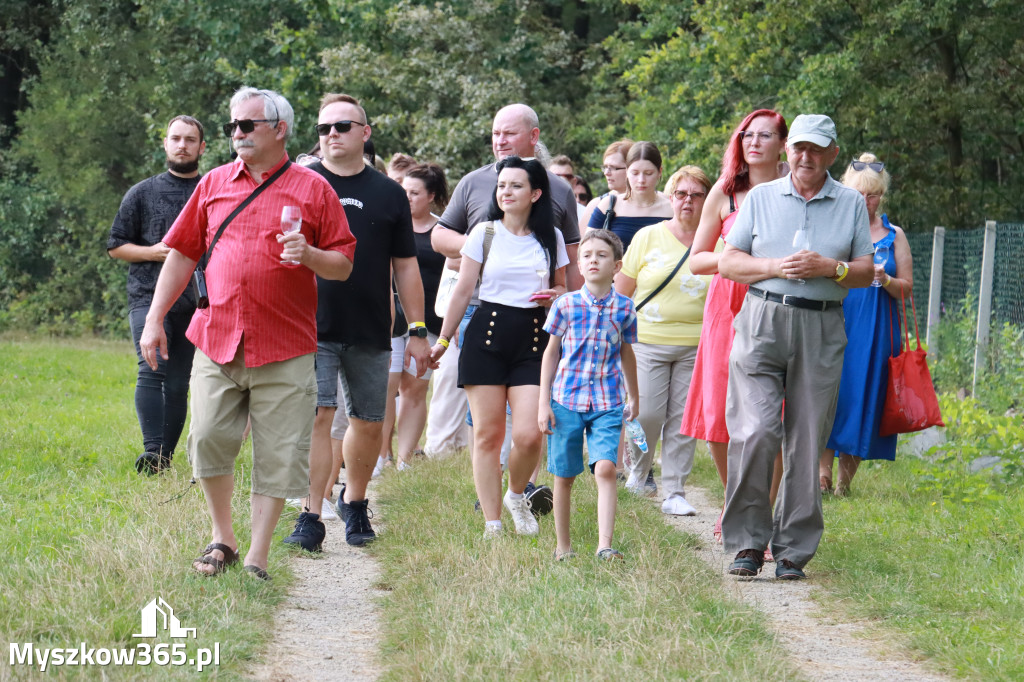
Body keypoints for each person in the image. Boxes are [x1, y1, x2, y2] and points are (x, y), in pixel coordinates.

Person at [139, 87, 356, 580]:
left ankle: (257, 554)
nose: (236, 133)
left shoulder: (314, 189)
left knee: (279, 453)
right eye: (232, 126)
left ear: (279, 129)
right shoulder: (214, 182)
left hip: (285, 345)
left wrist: (311, 256)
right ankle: (223, 538)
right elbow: (182, 253)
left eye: (247, 125)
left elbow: (343, 264)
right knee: (207, 438)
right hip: (217, 337)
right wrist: (154, 319)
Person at [718, 114, 874, 580]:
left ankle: (792, 551)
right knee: (756, 430)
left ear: (832, 154)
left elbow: (866, 271)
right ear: (788, 152)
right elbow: (728, 262)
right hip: (763, 317)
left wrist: (832, 267)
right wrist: (775, 266)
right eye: (799, 148)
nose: (805, 157)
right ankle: (747, 543)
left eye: (816, 149)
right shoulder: (762, 198)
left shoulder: (849, 203)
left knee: (807, 439)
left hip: (822, 326)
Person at [287, 92, 430, 550]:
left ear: (364, 133)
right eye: (323, 129)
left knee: (368, 422)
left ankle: (356, 500)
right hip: (311, 324)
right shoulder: (302, 184)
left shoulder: (389, 193)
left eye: (342, 127)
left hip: (372, 325)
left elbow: (406, 266)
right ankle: (312, 512)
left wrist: (418, 330)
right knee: (319, 415)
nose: (331, 135)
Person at [430, 103, 581, 508]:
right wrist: (482, 247)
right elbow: (441, 241)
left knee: (531, 429)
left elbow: (570, 268)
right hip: (481, 317)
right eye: (495, 133)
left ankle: (521, 490)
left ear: (533, 137)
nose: (499, 141)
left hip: (537, 328)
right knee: (487, 428)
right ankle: (491, 509)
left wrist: (567, 305)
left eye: (509, 133)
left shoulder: (558, 192)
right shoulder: (474, 188)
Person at [680, 109, 789, 544]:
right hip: (728, 306)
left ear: (783, 143)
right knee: (722, 411)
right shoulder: (725, 194)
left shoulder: (792, 190)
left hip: (778, 303)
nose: (754, 142)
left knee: (773, 415)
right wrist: (732, 258)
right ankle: (734, 501)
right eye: (747, 135)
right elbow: (697, 259)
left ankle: (763, 510)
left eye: (765, 135)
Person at [107, 115, 206, 475]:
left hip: (196, 301)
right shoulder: (141, 192)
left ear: (201, 147)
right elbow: (115, 246)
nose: (182, 145)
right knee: (151, 369)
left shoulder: (212, 190)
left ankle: (164, 458)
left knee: (179, 382)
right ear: (165, 143)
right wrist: (157, 252)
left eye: (190, 139)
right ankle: (151, 453)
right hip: (148, 296)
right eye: (176, 138)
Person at [615, 166, 712, 513]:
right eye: (681, 194)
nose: (688, 201)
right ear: (670, 198)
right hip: (647, 340)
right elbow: (622, 291)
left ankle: (675, 491)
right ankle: (638, 476)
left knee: (683, 421)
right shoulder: (647, 236)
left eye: (696, 194)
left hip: (697, 343)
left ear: (707, 200)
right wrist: (614, 337)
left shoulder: (715, 240)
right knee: (647, 413)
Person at [539, 229, 639, 560]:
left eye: (602, 255)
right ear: (579, 265)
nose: (593, 260)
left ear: (617, 265)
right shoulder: (564, 305)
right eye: (587, 256)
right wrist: (543, 403)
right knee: (564, 475)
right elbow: (551, 354)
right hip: (566, 400)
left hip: (608, 401)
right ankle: (563, 547)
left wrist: (633, 395)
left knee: (606, 468)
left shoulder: (625, 308)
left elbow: (626, 352)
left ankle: (604, 545)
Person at [820, 154, 913, 496]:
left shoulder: (894, 235)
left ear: (881, 196)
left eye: (872, 194)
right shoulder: (834, 228)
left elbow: (906, 289)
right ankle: (822, 474)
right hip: (836, 317)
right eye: (859, 193)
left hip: (876, 328)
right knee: (831, 392)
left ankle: (844, 483)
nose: (865, 200)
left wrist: (885, 278)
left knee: (863, 396)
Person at [389, 163, 451, 469]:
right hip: (388, 319)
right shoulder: (390, 223)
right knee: (387, 387)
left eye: (414, 192)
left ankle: (404, 458)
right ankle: (380, 455)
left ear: (431, 196)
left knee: (414, 389)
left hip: (427, 322)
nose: (407, 197)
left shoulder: (444, 232)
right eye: (403, 191)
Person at [588, 142, 673, 252]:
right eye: (635, 173)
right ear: (627, 171)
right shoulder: (609, 206)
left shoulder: (672, 209)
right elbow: (587, 251)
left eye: (648, 173)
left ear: (659, 172)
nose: (641, 180)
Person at [580, 139, 632, 230]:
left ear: (631, 168)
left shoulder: (650, 203)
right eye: (605, 167)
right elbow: (584, 243)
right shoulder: (595, 205)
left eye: (614, 168)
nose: (606, 173)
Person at [549, 154, 585, 222]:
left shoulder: (585, 213)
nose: (562, 180)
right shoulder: (535, 211)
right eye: (555, 176)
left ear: (574, 182)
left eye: (567, 176)